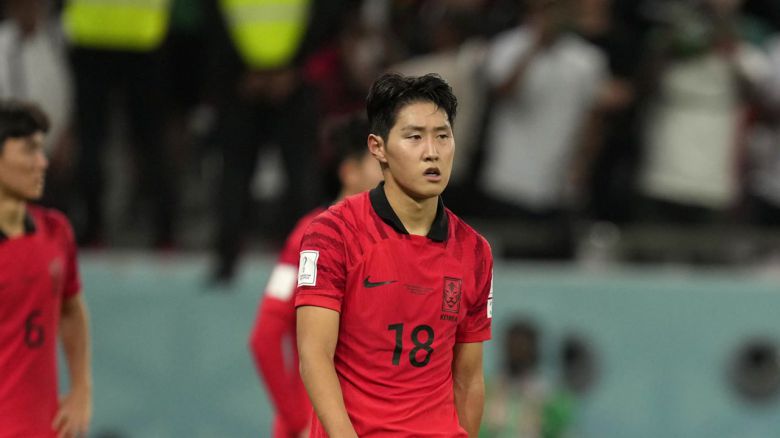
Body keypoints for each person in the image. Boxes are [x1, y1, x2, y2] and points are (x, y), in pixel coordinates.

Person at [296, 73, 494, 437]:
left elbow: (468, 379)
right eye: (415, 137)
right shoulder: (333, 233)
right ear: (378, 148)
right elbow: (314, 355)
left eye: (443, 136)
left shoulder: (475, 251)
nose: (432, 152)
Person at [248, 114, 383, 438]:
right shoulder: (307, 237)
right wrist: (297, 421)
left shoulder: (397, 244)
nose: (390, 174)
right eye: (379, 165)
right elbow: (264, 337)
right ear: (349, 172)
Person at [0, 101, 91, 437]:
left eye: (41, 150)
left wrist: (81, 388)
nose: (43, 162)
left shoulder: (55, 231)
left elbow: (71, 310)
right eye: (29, 150)